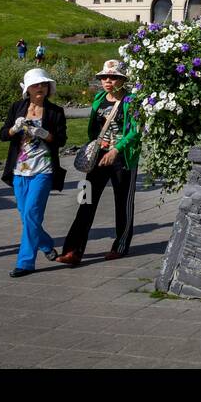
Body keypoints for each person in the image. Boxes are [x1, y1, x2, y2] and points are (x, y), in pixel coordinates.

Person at [56, 60, 140, 265]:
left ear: (123, 79)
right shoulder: (99, 98)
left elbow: (137, 131)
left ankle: (120, 246)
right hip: (98, 157)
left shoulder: (132, 101)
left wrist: (116, 149)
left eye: (113, 77)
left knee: (123, 203)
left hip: (123, 158)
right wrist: (96, 142)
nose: (108, 81)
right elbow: (93, 127)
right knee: (85, 200)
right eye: (104, 78)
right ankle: (73, 250)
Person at [0, 68, 68, 278]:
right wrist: (14, 128)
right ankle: (46, 245)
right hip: (19, 170)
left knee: (31, 214)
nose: (41, 88)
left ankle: (25, 262)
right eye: (36, 85)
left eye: (44, 84)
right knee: (26, 216)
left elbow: (61, 140)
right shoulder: (17, 107)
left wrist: (46, 135)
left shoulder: (55, 111)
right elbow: (3, 135)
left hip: (44, 170)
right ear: (27, 89)